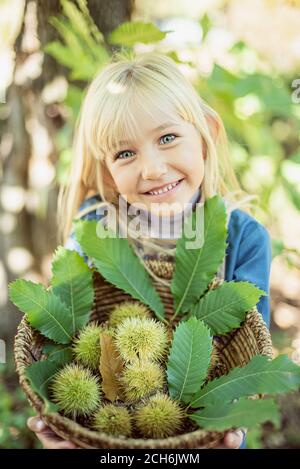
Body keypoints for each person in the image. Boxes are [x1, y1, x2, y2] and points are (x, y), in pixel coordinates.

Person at [27, 52, 272, 449]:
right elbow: (61, 340)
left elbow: (247, 357)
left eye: (167, 138)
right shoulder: (95, 232)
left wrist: (232, 424)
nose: (153, 168)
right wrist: (65, 427)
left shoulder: (243, 238)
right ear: (109, 172)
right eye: (125, 153)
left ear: (205, 134)